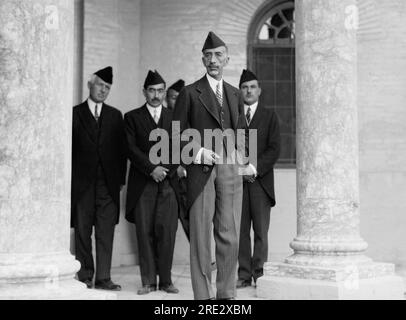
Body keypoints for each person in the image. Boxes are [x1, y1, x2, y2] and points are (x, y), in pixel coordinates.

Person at [172, 31, 250, 300]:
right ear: (203, 60)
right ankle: (203, 298)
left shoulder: (235, 94)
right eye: (208, 56)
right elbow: (175, 135)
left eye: (218, 55)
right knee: (201, 240)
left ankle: (226, 295)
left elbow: (240, 132)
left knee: (230, 234)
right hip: (201, 172)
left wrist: (243, 161)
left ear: (227, 59)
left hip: (230, 170)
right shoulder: (189, 93)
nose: (213, 60)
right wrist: (199, 152)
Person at [71, 66, 127, 291]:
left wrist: (120, 182)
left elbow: (122, 152)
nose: (103, 90)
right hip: (82, 185)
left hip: (108, 186)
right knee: (83, 232)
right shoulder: (75, 113)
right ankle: (85, 276)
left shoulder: (115, 116)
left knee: (105, 232)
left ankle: (103, 278)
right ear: (89, 85)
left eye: (107, 87)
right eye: (100, 85)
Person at [124, 70, 179, 295]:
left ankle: (166, 280)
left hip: (168, 183)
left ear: (164, 92)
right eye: (152, 90)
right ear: (144, 92)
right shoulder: (132, 117)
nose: (156, 95)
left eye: (160, 91)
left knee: (166, 231)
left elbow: (179, 148)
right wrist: (151, 169)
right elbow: (130, 148)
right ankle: (147, 281)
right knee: (145, 231)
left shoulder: (174, 118)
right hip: (143, 183)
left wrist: (164, 170)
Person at [236, 69, 280, 288]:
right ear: (240, 91)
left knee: (261, 231)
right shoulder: (233, 117)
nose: (249, 90)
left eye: (252, 87)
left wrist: (254, 167)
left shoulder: (269, 116)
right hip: (238, 184)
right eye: (245, 87)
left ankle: (259, 273)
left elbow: (274, 149)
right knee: (241, 231)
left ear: (259, 90)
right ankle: (244, 274)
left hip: (260, 183)